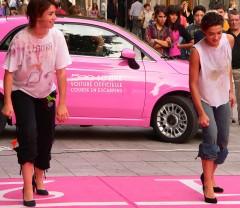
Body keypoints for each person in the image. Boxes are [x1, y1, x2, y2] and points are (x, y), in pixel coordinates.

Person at [1, 0, 71, 206]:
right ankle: (28, 187)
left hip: (47, 93)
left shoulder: (56, 36)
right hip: (22, 92)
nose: (54, 18)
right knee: (28, 135)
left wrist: (62, 103)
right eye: (50, 14)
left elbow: (61, 72)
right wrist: (7, 102)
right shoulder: (21, 39)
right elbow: (9, 73)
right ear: (38, 14)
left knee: (46, 136)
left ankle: (39, 176)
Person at [189, 12, 235, 204]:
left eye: (218, 33)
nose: (215, 38)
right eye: (211, 34)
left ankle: (207, 175)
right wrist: (200, 112)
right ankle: (208, 184)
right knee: (211, 137)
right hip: (205, 99)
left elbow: (227, 67)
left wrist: (231, 91)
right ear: (203, 32)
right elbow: (192, 83)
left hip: (223, 97)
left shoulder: (229, 40)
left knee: (223, 144)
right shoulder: (197, 51)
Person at [227, 9, 240, 124]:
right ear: (228, 21)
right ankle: (228, 120)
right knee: (228, 97)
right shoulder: (225, 35)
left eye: (236, 20)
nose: (234, 22)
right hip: (228, 70)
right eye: (232, 20)